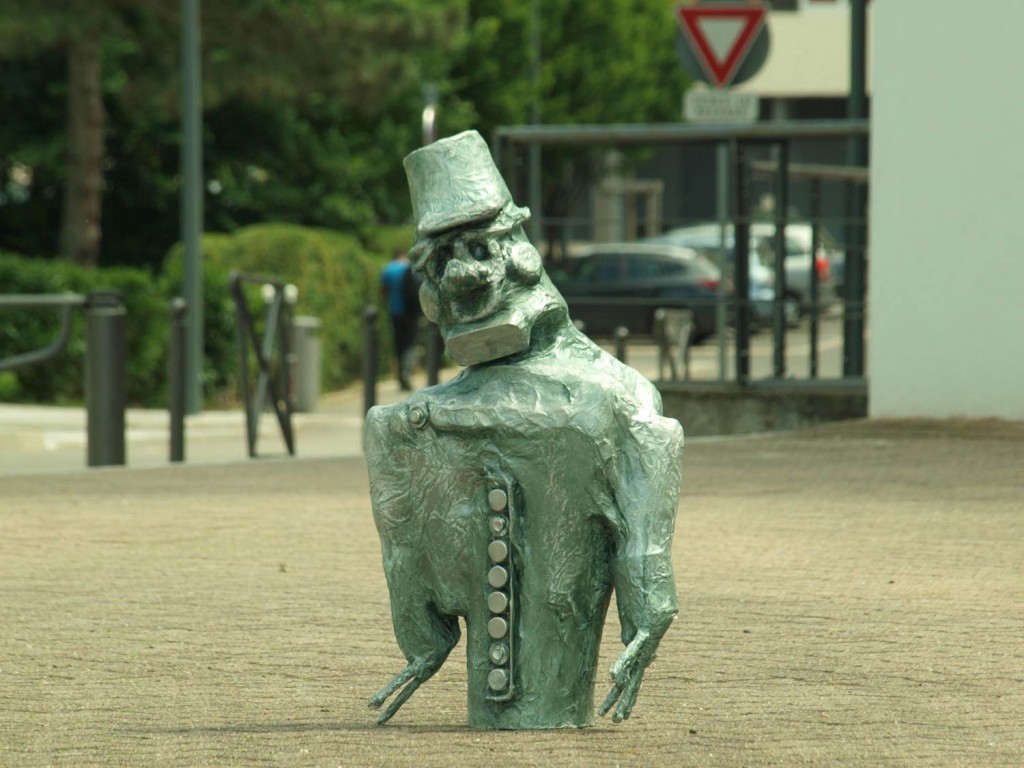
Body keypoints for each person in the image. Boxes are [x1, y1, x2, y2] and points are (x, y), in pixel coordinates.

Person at [365, 130, 682, 729]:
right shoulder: (408, 427)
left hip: (560, 632)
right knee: (390, 428)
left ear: (517, 250)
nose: (460, 274)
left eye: (478, 248)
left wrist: (650, 597)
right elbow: (403, 539)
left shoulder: (614, 395)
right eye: (440, 259)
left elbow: (647, 531)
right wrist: (420, 634)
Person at [379, 248, 420, 390]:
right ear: (403, 256)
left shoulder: (388, 269)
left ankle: (400, 376)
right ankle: (406, 373)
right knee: (411, 343)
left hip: (395, 311)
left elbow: (383, 291)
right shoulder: (410, 267)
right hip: (411, 312)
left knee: (399, 344)